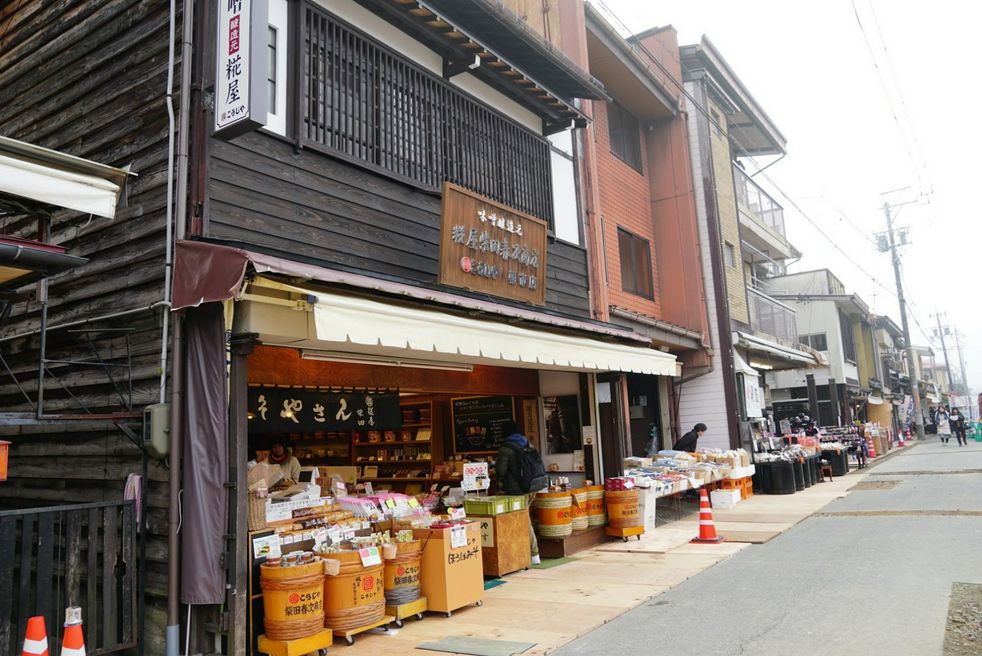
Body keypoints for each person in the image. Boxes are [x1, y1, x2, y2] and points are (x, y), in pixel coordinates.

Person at [495, 419, 543, 565]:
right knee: (523, 518)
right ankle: (524, 551)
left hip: (517, 490)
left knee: (523, 520)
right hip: (532, 486)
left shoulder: (506, 448)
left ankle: (534, 554)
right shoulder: (526, 442)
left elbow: (500, 471)